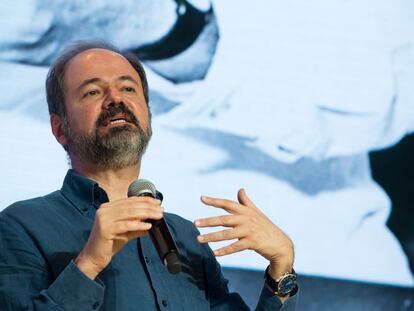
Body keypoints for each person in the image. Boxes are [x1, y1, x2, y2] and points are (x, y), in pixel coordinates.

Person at [0, 42, 298, 310]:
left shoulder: (187, 239)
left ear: (149, 117)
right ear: (59, 129)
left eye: (128, 89)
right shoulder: (20, 226)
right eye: (92, 91)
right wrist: (88, 264)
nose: (115, 99)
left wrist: (282, 268)